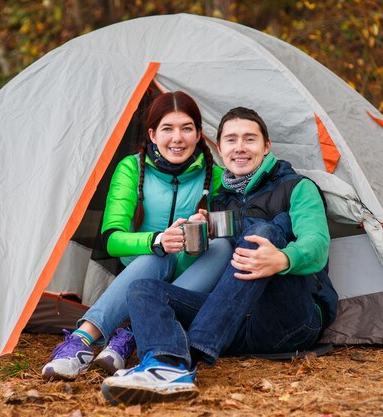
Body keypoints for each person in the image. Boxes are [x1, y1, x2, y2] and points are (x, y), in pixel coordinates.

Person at [100, 107, 338, 405]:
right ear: (220, 148)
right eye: (231, 140)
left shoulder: (297, 188)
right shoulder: (219, 200)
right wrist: (202, 236)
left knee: (265, 231)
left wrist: (283, 259)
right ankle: (163, 361)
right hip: (232, 325)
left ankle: (186, 361)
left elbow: (317, 245)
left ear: (266, 146)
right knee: (143, 289)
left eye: (250, 139)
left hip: (288, 321)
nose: (240, 147)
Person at [41, 92, 233, 381]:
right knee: (157, 257)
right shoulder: (131, 168)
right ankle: (82, 342)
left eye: (186, 129)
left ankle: (130, 333)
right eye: (168, 129)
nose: (177, 138)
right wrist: (156, 240)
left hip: (190, 279)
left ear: (198, 135)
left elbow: (223, 235)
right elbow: (111, 238)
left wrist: (206, 226)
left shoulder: (215, 175)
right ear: (153, 135)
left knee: (222, 246)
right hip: (141, 270)